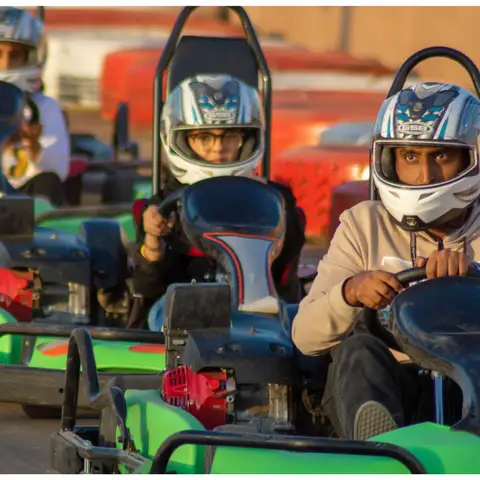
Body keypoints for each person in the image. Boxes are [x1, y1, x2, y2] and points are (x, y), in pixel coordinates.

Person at [292, 82, 480, 441]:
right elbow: (305, 338)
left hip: (470, 383)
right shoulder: (363, 225)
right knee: (357, 350)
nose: (425, 176)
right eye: (410, 157)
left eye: (441, 156)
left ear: (469, 158)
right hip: (390, 384)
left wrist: (463, 283)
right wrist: (349, 293)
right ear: (388, 159)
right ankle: (380, 448)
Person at [129, 74, 306, 330]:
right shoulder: (160, 206)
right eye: (204, 138)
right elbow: (148, 289)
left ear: (247, 139)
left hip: (259, 305)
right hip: (181, 311)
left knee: (302, 321)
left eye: (229, 137)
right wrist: (153, 240)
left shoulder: (276, 199)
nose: (218, 148)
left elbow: (286, 282)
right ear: (181, 139)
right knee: (183, 310)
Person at [0, 7, 70, 204]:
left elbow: (58, 171)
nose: (6, 65)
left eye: (15, 56)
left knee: (47, 181)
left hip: (24, 202)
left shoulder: (45, 108)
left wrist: (34, 146)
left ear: (30, 57)